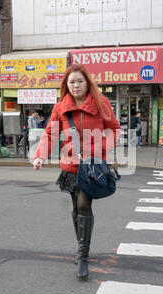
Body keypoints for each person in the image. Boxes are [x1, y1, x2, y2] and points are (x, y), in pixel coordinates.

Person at [32, 64, 120, 281]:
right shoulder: (61, 107)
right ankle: (82, 245)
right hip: (70, 166)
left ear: (87, 82)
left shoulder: (101, 103)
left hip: (92, 165)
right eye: (71, 82)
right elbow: (50, 134)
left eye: (79, 81)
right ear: (66, 85)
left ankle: (82, 255)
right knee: (75, 207)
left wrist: (101, 149)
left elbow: (114, 129)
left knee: (83, 204)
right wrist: (40, 156)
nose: (75, 85)